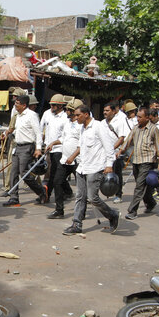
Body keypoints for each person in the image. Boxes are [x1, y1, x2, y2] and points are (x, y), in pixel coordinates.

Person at [62, 105, 120, 235]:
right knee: (80, 197)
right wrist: (72, 157)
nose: (76, 118)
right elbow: (81, 146)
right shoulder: (83, 128)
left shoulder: (98, 127)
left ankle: (112, 215)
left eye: (78, 115)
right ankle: (77, 224)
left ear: (86, 114)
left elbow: (109, 146)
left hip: (96, 167)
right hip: (82, 167)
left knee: (92, 198)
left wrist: (109, 164)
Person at [2, 95, 47, 207]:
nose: (15, 105)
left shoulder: (32, 115)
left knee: (24, 173)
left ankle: (41, 191)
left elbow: (38, 133)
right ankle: (14, 198)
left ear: (24, 105)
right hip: (18, 146)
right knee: (13, 172)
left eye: (17, 103)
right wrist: (6, 134)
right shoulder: (18, 116)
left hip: (27, 147)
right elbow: (17, 130)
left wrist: (38, 148)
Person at [118, 107, 159, 220]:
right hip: (136, 160)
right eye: (137, 116)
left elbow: (158, 146)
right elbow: (128, 140)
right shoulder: (135, 128)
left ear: (147, 118)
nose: (137, 119)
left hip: (147, 161)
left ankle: (132, 211)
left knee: (139, 186)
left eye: (140, 117)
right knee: (143, 186)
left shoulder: (153, 129)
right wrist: (120, 151)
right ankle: (151, 203)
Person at [47, 99, 82, 219]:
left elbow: (82, 144)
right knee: (57, 181)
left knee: (82, 187)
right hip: (65, 159)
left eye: (68, 110)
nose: (66, 111)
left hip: (78, 161)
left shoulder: (81, 126)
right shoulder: (67, 123)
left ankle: (81, 211)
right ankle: (59, 210)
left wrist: (73, 156)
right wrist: (53, 143)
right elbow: (63, 138)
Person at [41, 94, 69, 203]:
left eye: (54, 105)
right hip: (48, 149)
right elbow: (41, 128)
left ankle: (47, 194)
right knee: (51, 172)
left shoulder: (65, 117)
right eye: (51, 105)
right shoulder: (47, 114)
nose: (52, 107)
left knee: (53, 173)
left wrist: (54, 143)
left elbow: (65, 135)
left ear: (60, 106)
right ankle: (67, 191)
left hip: (60, 149)